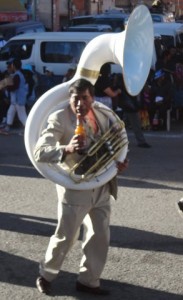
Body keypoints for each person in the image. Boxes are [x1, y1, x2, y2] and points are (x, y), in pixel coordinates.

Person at [34, 78, 129, 296]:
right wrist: (66, 148)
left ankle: (89, 280)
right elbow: (40, 151)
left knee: (100, 236)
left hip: (102, 185)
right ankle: (46, 275)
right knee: (66, 236)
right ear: (69, 98)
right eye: (75, 98)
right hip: (75, 187)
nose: (79, 104)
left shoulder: (102, 115)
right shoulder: (59, 118)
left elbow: (114, 145)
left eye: (84, 98)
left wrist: (119, 164)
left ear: (92, 98)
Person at [0, 58, 28, 134]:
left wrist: (6, 87)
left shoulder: (17, 75)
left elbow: (14, 87)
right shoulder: (17, 75)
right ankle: (7, 128)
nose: (9, 67)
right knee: (10, 112)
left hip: (18, 100)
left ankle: (28, 129)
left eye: (10, 65)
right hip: (15, 100)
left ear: (13, 66)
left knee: (22, 116)